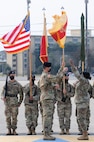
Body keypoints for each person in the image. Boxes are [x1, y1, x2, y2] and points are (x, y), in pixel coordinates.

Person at [38, 62, 68, 140]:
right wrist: (62, 71)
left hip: (48, 98)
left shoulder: (44, 76)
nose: (50, 69)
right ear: (47, 68)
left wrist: (53, 86)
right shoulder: (46, 75)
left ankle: (47, 133)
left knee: (48, 116)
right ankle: (46, 134)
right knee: (47, 116)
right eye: (50, 67)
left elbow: (48, 84)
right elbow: (57, 78)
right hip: (47, 98)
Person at [69, 59, 91, 140]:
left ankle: (85, 134)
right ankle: (84, 133)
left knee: (81, 119)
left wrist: (73, 66)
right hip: (82, 102)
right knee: (81, 118)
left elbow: (77, 74)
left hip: (82, 103)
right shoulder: (84, 82)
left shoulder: (83, 81)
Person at [1, 70, 23, 135]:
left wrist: (19, 102)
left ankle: (14, 130)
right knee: (8, 117)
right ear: (9, 75)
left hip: (14, 102)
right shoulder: (6, 84)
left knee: (14, 117)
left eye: (13, 75)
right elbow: (3, 92)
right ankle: (9, 130)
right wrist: (3, 97)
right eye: (11, 75)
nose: (12, 76)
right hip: (7, 102)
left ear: (14, 75)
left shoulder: (18, 84)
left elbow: (21, 94)